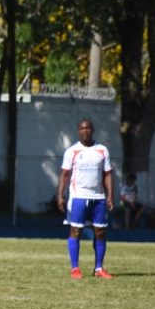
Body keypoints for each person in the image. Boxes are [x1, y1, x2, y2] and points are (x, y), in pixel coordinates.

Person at [56, 118, 114, 279]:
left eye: (88, 128)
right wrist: (60, 195)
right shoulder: (72, 151)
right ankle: (75, 268)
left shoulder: (102, 150)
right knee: (76, 230)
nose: (85, 131)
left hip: (98, 197)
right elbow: (65, 175)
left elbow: (108, 174)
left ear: (92, 130)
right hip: (78, 197)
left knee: (100, 232)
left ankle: (99, 269)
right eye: (82, 128)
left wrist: (110, 196)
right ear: (78, 131)